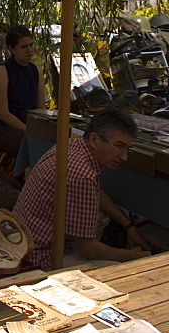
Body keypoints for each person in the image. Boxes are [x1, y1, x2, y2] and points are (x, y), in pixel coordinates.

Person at [13, 107, 151, 270]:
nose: (124, 156)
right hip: (38, 256)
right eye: (118, 146)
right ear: (94, 140)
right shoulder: (83, 175)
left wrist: (128, 225)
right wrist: (129, 256)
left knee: (102, 217)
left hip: (18, 238)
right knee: (119, 270)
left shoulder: (71, 145)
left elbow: (95, 192)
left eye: (127, 149)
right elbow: (88, 249)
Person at [0, 25, 45, 161]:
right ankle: (30, 180)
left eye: (31, 45)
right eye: (24, 47)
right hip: (8, 127)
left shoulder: (36, 71)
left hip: (31, 124)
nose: (30, 50)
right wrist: (28, 130)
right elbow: (3, 113)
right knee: (32, 144)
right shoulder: (3, 72)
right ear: (11, 49)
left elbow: (41, 108)